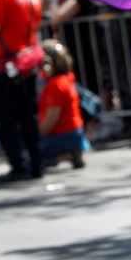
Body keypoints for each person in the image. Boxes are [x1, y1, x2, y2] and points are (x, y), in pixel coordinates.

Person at [0, 0, 43, 183]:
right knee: (28, 116)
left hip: (6, 63)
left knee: (5, 118)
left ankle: (19, 165)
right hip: (28, 59)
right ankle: (36, 162)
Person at [38, 40, 86, 169]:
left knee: (28, 154)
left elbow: (49, 122)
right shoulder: (67, 78)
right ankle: (68, 153)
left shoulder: (56, 85)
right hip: (74, 132)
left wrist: (35, 136)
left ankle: (64, 155)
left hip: (63, 134)